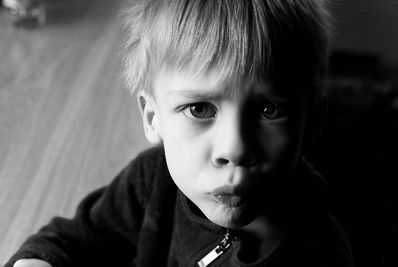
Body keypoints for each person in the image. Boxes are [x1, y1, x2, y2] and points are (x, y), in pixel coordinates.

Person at [6, 0, 354, 266]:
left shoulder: (322, 249)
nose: (234, 148)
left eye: (269, 110)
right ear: (153, 117)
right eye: (199, 109)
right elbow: (74, 240)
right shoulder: (151, 181)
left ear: (311, 121)